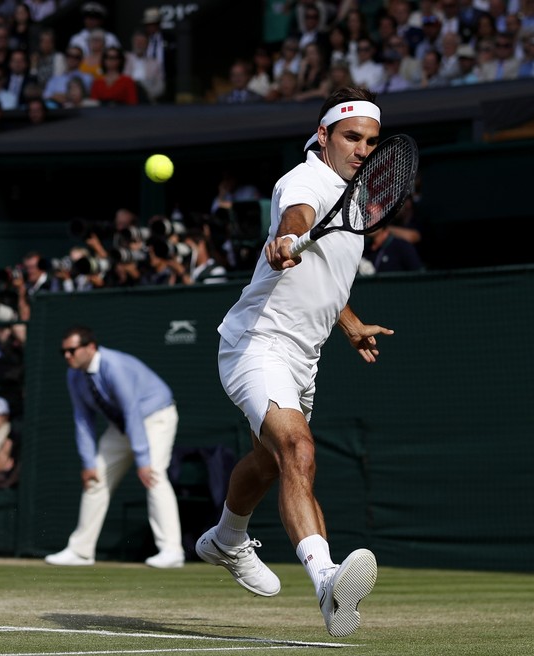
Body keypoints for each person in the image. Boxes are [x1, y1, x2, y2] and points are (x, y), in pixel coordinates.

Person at [197, 87, 390, 638]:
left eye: (371, 142)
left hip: (304, 358)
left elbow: (326, 279)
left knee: (268, 462)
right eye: (352, 137)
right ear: (323, 134)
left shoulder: (354, 201)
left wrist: (349, 323)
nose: (361, 150)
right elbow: (297, 215)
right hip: (256, 344)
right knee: (298, 448)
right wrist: (284, 238)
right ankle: (327, 580)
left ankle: (226, 540)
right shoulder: (305, 180)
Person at [45, 325, 184, 569]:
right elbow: (82, 418)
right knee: (95, 477)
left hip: (155, 416)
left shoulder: (114, 366)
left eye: (72, 350)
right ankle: (80, 551)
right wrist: (88, 462)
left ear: (90, 347)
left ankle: (172, 551)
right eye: (63, 352)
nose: (67, 356)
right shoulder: (74, 375)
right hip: (123, 425)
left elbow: (131, 410)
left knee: (154, 475)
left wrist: (142, 459)